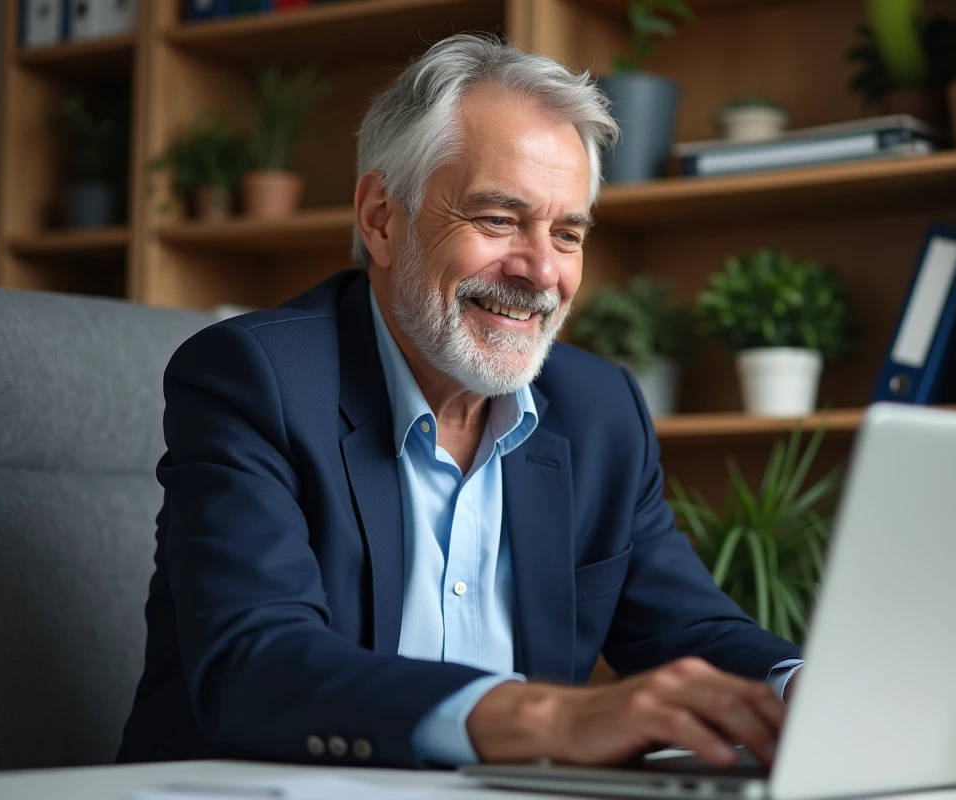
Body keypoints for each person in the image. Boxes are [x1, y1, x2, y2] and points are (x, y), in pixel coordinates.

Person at [118, 33, 803, 770]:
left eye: (567, 233)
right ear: (381, 217)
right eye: (499, 219)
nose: (541, 271)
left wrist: (805, 690)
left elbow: (693, 632)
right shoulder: (256, 379)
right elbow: (256, 663)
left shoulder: (601, 411)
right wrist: (539, 718)